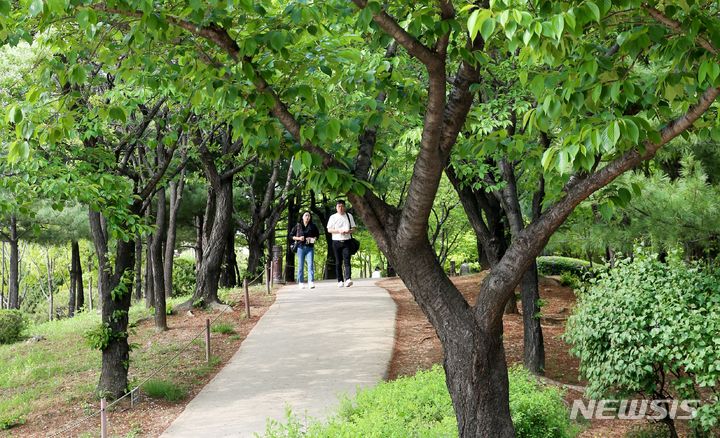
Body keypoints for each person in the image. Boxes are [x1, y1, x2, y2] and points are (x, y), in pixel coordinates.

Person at [326, 199, 356, 287]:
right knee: (338, 262)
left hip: (347, 241)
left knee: (347, 261)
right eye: (339, 206)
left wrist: (348, 231)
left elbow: (354, 228)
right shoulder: (333, 217)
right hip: (336, 241)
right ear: (336, 208)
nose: (341, 208)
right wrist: (338, 231)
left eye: (342, 206)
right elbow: (329, 230)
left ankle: (348, 279)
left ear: (345, 207)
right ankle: (340, 280)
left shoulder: (349, 216)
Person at [291, 211, 320, 289]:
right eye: (306, 215)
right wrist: (299, 238)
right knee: (300, 266)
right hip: (300, 248)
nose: (307, 217)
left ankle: (311, 282)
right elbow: (291, 236)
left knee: (310, 265)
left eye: (309, 216)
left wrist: (313, 239)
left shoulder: (313, 226)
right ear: (302, 217)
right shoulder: (298, 226)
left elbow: (317, 235)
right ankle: (301, 282)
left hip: (310, 248)